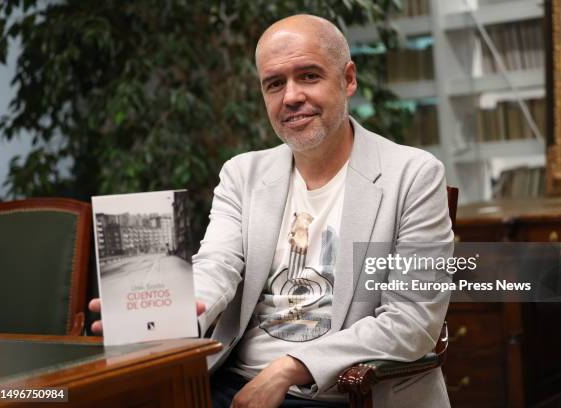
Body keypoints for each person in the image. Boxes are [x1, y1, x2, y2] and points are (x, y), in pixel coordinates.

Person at [90, 14, 453, 408]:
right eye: (275, 84)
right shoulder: (242, 174)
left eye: (309, 76)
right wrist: (170, 314)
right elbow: (217, 265)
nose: (291, 96)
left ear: (348, 79)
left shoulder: (413, 175)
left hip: (342, 393)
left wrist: (288, 368)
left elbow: (413, 321)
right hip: (231, 380)